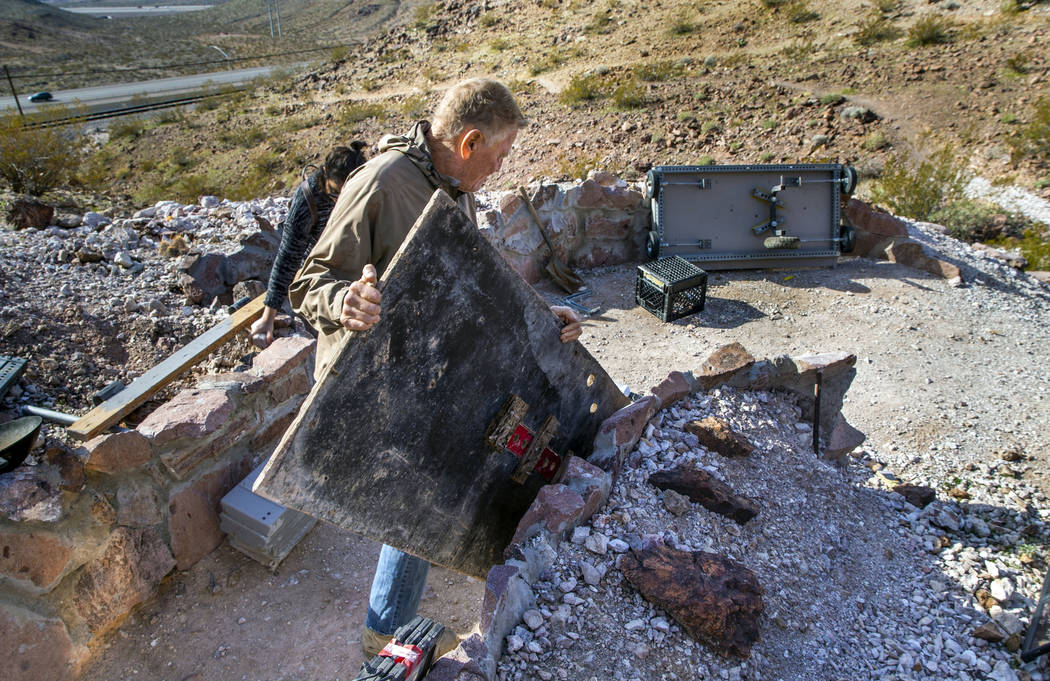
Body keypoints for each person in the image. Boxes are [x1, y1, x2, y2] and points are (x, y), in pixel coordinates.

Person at [288, 78, 582, 659]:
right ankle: (384, 630)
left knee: (446, 470)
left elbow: (473, 273)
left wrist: (544, 315)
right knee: (427, 486)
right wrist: (345, 300)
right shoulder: (381, 182)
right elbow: (307, 284)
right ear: (470, 142)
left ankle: (398, 613)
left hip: (425, 362)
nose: (499, 169)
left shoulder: (450, 184)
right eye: (498, 156)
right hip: (374, 375)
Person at [249, 141, 368, 348]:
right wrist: (268, 318)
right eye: (334, 194)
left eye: (346, 194)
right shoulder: (307, 201)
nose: (339, 202)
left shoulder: (366, 188)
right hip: (322, 277)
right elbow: (287, 258)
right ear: (324, 174)